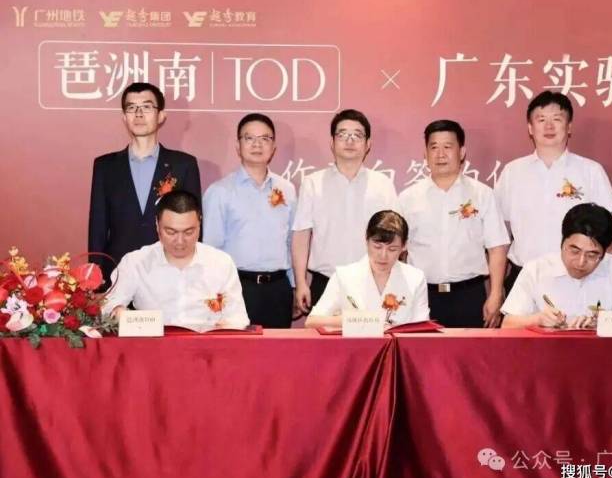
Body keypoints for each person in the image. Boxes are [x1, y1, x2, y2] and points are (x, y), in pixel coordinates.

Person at [495, 91, 612, 294]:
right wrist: (496, 288)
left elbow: (607, 233)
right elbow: (499, 235)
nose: (549, 126)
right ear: (530, 128)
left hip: (578, 278)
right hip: (523, 277)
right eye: (541, 119)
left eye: (557, 119)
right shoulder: (513, 172)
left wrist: (602, 282)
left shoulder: (590, 171)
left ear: (569, 127)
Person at [88, 82, 201, 287]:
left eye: (147, 107)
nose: (139, 114)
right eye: (132, 107)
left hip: (171, 273)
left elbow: (194, 224)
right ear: (124, 117)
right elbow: (98, 227)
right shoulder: (105, 166)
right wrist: (96, 278)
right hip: (118, 274)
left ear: (161, 116)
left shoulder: (183, 165)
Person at [398, 120, 510, 327]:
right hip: (422, 296)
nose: (440, 154)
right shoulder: (407, 199)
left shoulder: (482, 194)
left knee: (470, 349)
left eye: (448, 147)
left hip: (469, 296)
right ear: (425, 154)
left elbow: (497, 248)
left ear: (462, 152)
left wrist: (495, 294)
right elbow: (398, 252)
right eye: (434, 147)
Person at [292, 109, 398, 314]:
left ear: (368, 144)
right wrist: (301, 282)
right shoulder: (313, 183)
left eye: (357, 135)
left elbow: (395, 238)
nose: (350, 140)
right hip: (325, 282)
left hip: (373, 282)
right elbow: (302, 235)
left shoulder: (382, 185)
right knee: (323, 336)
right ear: (332, 142)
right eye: (342, 134)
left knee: (372, 336)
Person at [103, 191, 249, 331]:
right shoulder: (136, 263)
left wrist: (227, 326)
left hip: (206, 346)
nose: (180, 241)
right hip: (154, 345)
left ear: (199, 225)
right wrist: (118, 312)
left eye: (189, 232)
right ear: (157, 226)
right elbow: (107, 308)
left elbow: (238, 318)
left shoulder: (221, 263)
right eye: (171, 232)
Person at [203, 113, 296, 328]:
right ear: (238, 146)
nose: (257, 144)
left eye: (265, 138)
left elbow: (290, 242)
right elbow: (211, 250)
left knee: (279, 349)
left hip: (278, 289)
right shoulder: (219, 192)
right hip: (237, 289)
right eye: (249, 138)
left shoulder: (288, 190)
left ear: (273, 147)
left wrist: (292, 286)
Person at [501, 203, 612, 329]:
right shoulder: (536, 269)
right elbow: (507, 325)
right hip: (547, 351)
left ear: (605, 252)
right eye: (574, 251)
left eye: (592, 255)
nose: (581, 262)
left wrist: (604, 325)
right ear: (562, 242)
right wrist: (537, 320)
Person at [305, 210, 428, 328]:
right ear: (366, 240)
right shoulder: (344, 275)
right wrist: (353, 320)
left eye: (392, 249)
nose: (383, 255)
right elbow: (312, 322)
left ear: (404, 246)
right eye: (377, 247)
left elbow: (422, 329)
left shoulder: (415, 278)